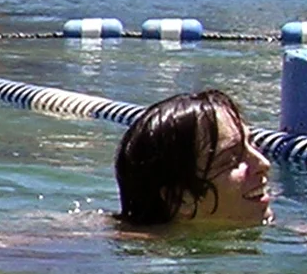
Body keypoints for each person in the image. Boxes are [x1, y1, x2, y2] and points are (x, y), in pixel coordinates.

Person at [115, 88, 273, 229]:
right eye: (232, 159)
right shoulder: (146, 256)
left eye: (253, 144)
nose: (264, 164)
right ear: (182, 199)